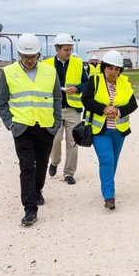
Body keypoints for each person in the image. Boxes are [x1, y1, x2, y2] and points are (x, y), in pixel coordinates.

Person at [0, 33, 62, 226]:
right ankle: (30, 209)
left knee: (41, 164)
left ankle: (38, 190)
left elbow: (57, 99)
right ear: (19, 54)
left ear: (38, 55)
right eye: (25, 57)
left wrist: (56, 123)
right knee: (27, 166)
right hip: (22, 128)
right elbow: (2, 104)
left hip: (45, 127)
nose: (28, 60)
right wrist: (10, 124)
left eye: (32, 56)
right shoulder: (8, 72)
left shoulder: (50, 72)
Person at [81, 50, 138, 210]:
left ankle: (107, 185)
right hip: (100, 130)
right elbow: (86, 99)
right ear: (104, 67)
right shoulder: (95, 80)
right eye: (109, 68)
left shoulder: (125, 83)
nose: (112, 72)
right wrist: (103, 109)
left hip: (119, 131)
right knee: (106, 160)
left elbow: (133, 104)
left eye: (116, 69)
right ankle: (109, 196)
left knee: (113, 161)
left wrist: (118, 111)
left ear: (120, 70)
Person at [43, 33, 88, 185]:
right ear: (57, 48)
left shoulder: (77, 63)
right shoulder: (46, 64)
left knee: (73, 141)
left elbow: (86, 83)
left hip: (72, 109)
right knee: (55, 139)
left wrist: (77, 88)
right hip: (53, 109)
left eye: (70, 49)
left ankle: (69, 173)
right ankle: (54, 162)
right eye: (66, 50)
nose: (69, 52)